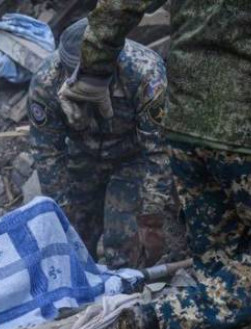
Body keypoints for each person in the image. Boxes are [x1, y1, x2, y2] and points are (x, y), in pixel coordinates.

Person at [59, 1, 251, 329]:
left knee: (221, 260)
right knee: (246, 263)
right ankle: (163, 318)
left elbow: (120, 5)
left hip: (187, 126)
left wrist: (94, 69)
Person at [28, 18, 183, 268]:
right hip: (82, 158)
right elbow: (47, 152)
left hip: (131, 159)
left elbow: (159, 151)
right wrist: (62, 210)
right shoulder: (47, 81)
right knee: (74, 243)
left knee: (122, 247)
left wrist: (151, 218)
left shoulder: (145, 73)